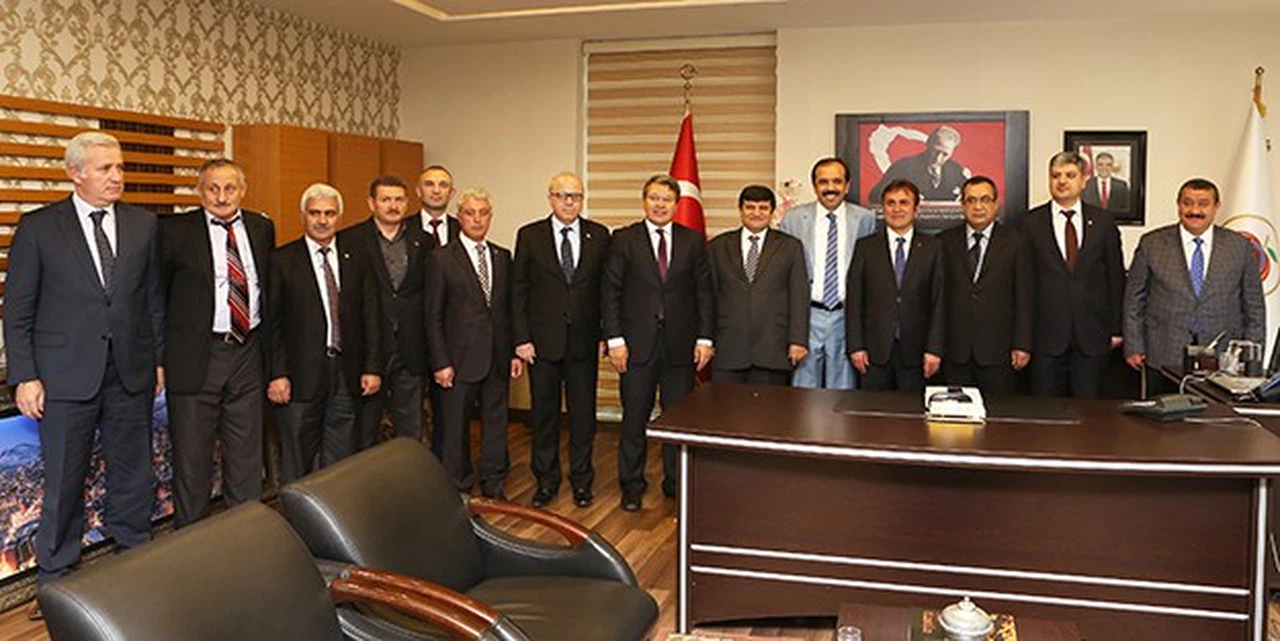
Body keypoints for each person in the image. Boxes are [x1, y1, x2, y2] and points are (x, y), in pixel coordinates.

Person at [4, 132, 163, 597]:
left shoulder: (143, 224)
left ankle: (136, 563)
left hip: (130, 372)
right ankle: (56, 580)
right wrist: (25, 375)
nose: (117, 176)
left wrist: (156, 361)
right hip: (63, 376)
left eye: (120, 167)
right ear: (75, 173)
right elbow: (18, 310)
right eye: (105, 168)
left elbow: (153, 301)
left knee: (133, 474)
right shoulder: (38, 228)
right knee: (64, 480)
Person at [160, 158, 275, 528]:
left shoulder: (261, 227)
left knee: (246, 455)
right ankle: (192, 541)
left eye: (230, 188)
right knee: (193, 460)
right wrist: (159, 359)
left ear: (243, 191)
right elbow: (156, 299)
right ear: (199, 191)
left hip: (248, 352)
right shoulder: (173, 231)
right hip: (196, 357)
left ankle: (244, 532)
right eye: (213, 188)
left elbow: (267, 289)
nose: (222, 197)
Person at [602, 174, 714, 512]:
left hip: (680, 345)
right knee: (634, 418)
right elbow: (610, 291)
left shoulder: (692, 241)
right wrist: (615, 339)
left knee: (676, 419)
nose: (660, 205)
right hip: (636, 345)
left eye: (666, 199)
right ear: (644, 201)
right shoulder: (624, 239)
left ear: (677, 205)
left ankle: (674, 483)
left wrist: (705, 338)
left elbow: (704, 292)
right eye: (654, 198)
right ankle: (632, 485)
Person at [268, 183, 382, 482]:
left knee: (341, 457)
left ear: (339, 216)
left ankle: (333, 511)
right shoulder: (282, 260)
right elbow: (273, 324)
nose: (322, 220)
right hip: (299, 377)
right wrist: (277, 374)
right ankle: (296, 511)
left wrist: (372, 367)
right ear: (303, 216)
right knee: (298, 457)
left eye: (329, 213)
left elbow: (371, 315)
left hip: (346, 372)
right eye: (315, 213)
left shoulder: (358, 257)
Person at [512, 172, 610, 508]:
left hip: (584, 341)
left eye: (576, 196)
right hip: (542, 344)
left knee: (583, 418)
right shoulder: (530, 235)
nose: (569, 202)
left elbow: (605, 291)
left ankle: (582, 481)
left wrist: (605, 333)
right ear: (550, 198)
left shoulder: (599, 235)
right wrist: (521, 338)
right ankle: (546, 480)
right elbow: (519, 291)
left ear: (582, 200)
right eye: (563, 195)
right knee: (544, 416)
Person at [1124, 178, 1265, 391]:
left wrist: (1251, 355)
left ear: (1216, 206)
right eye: (1187, 203)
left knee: (1215, 413)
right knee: (1162, 412)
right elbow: (1134, 299)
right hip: (1163, 354)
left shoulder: (1240, 247)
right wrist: (1134, 345)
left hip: (1223, 359)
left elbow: (1254, 305)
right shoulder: (1152, 243)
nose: (1194, 210)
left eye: (1203, 204)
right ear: (1178, 204)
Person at [425, 188, 521, 499]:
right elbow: (432, 315)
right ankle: (459, 486)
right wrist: (440, 362)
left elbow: (507, 310)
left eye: (483, 213)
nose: (477, 219)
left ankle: (494, 482)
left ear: (490, 217)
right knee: (455, 427)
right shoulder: (441, 259)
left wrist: (514, 351)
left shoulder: (502, 256)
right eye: (470, 213)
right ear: (460, 217)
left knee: (497, 423)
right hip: (457, 359)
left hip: (497, 357)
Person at [1020, 151, 1125, 398]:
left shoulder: (1103, 221)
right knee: (1046, 413)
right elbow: (1022, 284)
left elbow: (1116, 277)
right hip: (1045, 337)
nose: (1062, 181)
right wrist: (1022, 339)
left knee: (1090, 413)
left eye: (1070, 175)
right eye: (1056, 175)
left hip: (1092, 335)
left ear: (1084, 179)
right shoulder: (1029, 222)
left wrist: (1117, 328)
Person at [339, 175, 431, 447]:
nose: (393, 205)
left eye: (399, 199)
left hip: (411, 348)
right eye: (386, 199)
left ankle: (408, 475)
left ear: (407, 203)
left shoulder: (423, 240)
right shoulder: (350, 240)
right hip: (369, 349)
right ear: (371, 203)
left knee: (410, 430)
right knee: (365, 430)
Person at [778, 157, 875, 390]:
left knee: (842, 391)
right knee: (803, 390)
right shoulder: (793, 219)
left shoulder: (864, 219)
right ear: (814, 186)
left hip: (845, 316)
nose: (830, 188)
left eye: (837, 181)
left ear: (847, 186)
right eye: (823, 182)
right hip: (807, 316)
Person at [846, 179, 945, 394]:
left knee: (912, 412)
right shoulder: (866, 247)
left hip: (917, 353)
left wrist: (934, 349)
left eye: (904, 202)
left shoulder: (933, 247)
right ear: (883, 209)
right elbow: (855, 300)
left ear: (916, 209)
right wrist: (855, 346)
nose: (897, 209)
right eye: (890, 203)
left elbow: (939, 301)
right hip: (873, 353)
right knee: (874, 412)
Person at [939, 176, 1033, 396]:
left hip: (998, 351)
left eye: (984, 199)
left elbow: (1024, 297)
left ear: (996, 204)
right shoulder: (944, 241)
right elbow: (938, 299)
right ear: (962, 205)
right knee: (955, 413)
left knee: (998, 413)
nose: (978, 206)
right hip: (955, 351)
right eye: (971, 200)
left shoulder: (1016, 242)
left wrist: (1022, 344)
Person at [706, 185, 809, 385]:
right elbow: (709, 297)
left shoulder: (790, 246)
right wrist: (706, 339)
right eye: (750, 207)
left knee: (770, 406)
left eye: (763, 208)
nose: (756, 213)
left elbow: (799, 295)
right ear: (740, 209)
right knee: (725, 405)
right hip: (729, 347)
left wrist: (798, 340)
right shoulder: (717, 246)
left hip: (773, 348)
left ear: (772, 211)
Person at [405, 164, 460, 456]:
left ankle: (447, 468)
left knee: (450, 414)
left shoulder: (465, 228)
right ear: (418, 190)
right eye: (429, 184)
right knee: (411, 414)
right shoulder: (402, 229)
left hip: (453, 339)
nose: (436, 190)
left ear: (451, 193)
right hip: (412, 335)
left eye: (443, 185)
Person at [869, 125, 969, 202]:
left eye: (945, 154)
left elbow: (971, 194)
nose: (938, 158)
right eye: (935, 151)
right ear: (928, 144)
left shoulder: (955, 170)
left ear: (952, 152)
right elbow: (875, 196)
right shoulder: (902, 167)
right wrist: (903, 198)